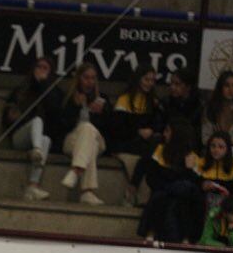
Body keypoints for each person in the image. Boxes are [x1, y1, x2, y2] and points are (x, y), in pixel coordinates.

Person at [3, 57, 63, 202]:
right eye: (39, 67)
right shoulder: (20, 90)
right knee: (37, 121)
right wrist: (11, 117)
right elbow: (7, 116)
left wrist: (43, 84)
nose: (41, 71)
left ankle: (32, 186)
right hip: (21, 137)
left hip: (41, 138)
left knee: (46, 140)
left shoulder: (54, 92)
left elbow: (55, 113)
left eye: (45, 68)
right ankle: (37, 149)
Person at [137, 119, 201, 242]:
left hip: (180, 195)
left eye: (167, 131)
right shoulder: (160, 150)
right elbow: (151, 177)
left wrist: (188, 170)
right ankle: (154, 234)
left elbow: (194, 186)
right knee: (162, 196)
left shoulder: (192, 156)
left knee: (182, 197)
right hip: (162, 189)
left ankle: (183, 238)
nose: (164, 134)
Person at [56, 62, 110, 205]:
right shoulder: (68, 97)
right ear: (79, 78)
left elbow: (109, 129)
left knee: (88, 128)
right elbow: (62, 125)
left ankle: (75, 170)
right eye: (86, 78)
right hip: (73, 140)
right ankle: (87, 192)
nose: (90, 82)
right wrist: (76, 107)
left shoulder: (102, 99)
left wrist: (97, 115)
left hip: (98, 140)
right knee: (88, 139)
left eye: (93, 78)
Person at [110, 65, 163, 205]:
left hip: (145, 144)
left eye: (152, 80)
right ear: (138, 79)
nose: (150, 83)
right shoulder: (124, 100)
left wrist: (150, 130)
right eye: (146, 79)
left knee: (156, 144)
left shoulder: (154, 102)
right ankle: (134, 188)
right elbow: (117, 129)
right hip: (127, 141)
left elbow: (158, 126)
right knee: (151, 152)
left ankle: (133, 186)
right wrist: (138, 131)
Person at [202, 71, 233, 159]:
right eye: (227, 85)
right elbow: (205, 137)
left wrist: (224, 143)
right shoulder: (210, 108)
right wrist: (218, 145)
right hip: (213, 148)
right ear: (220, 87)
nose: (231, 90)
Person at [198, 131, 233, 213]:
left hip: (227, 201)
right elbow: (194, 185)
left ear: (227, 149)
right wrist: (203, 185)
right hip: (203, 200)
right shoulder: (201, 162)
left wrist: (227, 192)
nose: (216, 150)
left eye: (221, 147)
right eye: (213, 146)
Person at [160, 67, 201, 136]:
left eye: (177, 84)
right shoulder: (165, 102)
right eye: (171, 83)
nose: (172, 87)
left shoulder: (198, 106)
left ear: (188, 87)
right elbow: (160, 125)